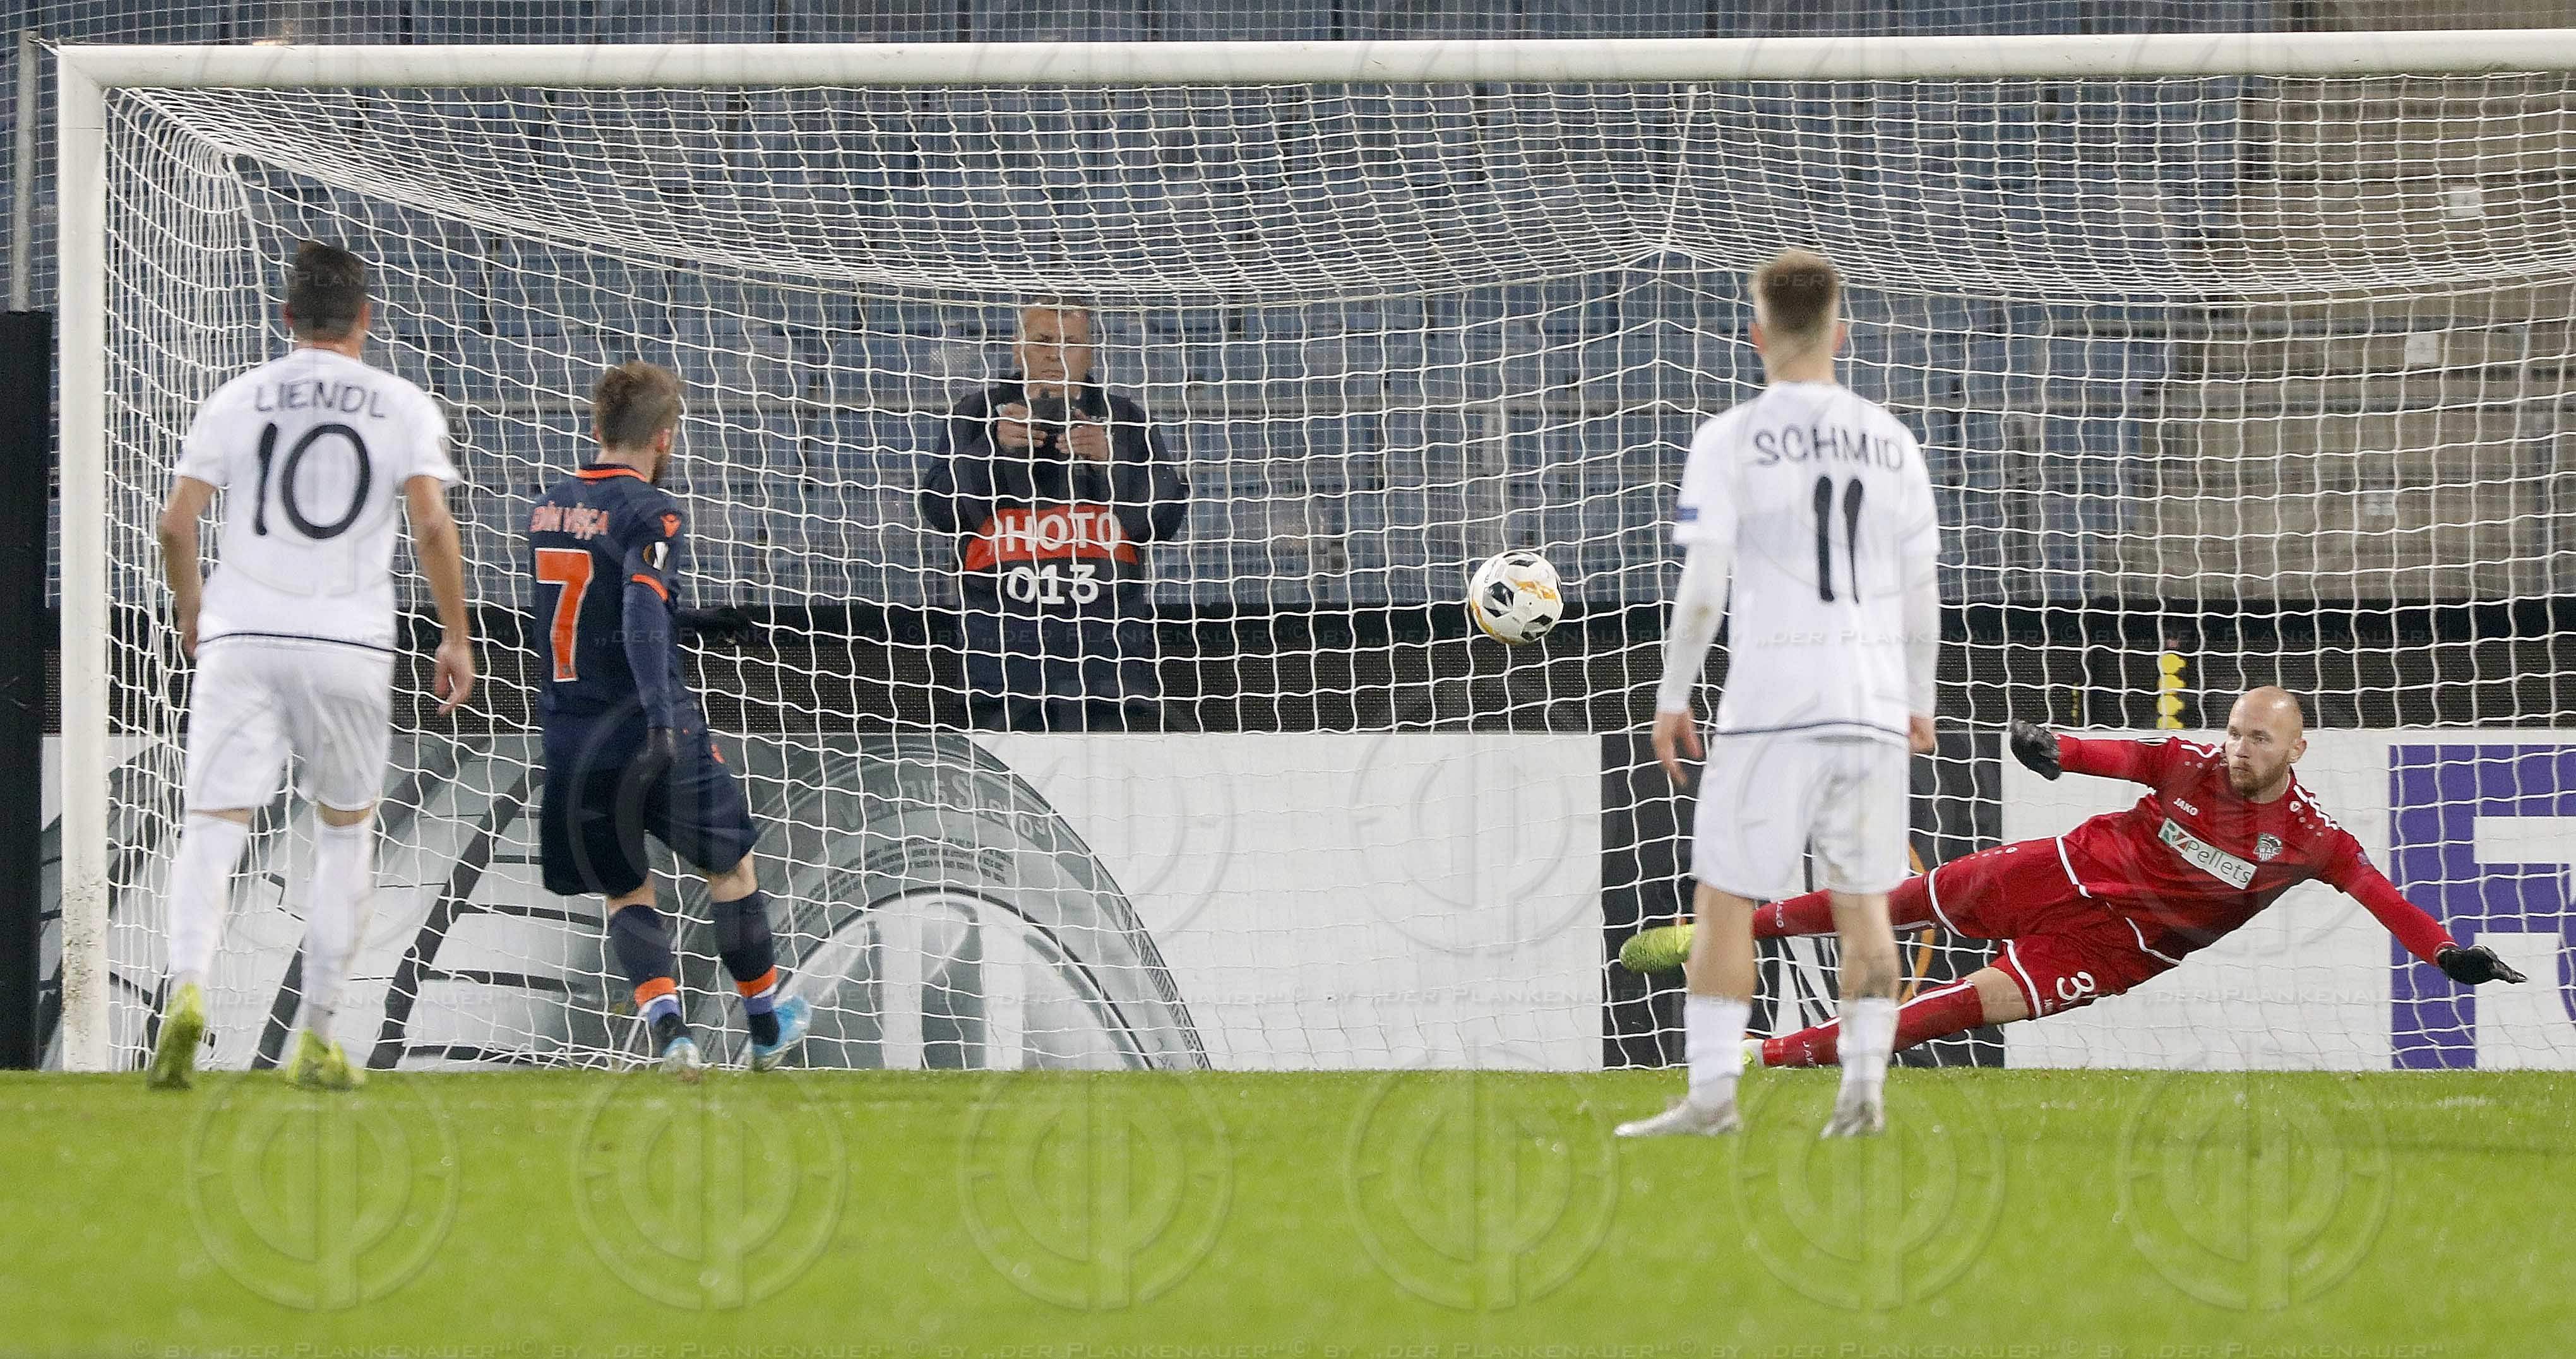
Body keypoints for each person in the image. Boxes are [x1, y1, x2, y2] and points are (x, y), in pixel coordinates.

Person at [1621, 686, 2530, 1066]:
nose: (2237, 747)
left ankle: (1763, 1057)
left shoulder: (2311, 840)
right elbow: (2110, 754)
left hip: (2119, 947)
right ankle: (1727, 933)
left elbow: (2384, 899)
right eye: (2234, 730)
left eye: (2258, 736)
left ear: (2297, 746)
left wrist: (2448, 955)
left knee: (1949, 1009)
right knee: (1896, 902)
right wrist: (2051, 750)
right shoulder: (2187, 763)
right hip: (2060, 870)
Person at [1616, 249, 1942, 1140]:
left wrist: (1674, 694)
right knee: (1865, 903)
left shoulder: (1731, 437)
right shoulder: (1895, 441)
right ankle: (1863, 1090)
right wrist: (1920, 697)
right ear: (1842, 332)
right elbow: (1922, 593)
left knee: (1725, 901)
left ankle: (1714, 1099)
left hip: (1771, 703)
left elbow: (1704, 588)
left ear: (1756, 334)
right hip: (1871, 703)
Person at [149, 240, 477, 1091]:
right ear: (365, 318)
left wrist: (193, 610)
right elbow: (434, 526)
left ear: (287, 317)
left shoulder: (238, 397)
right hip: (347, 643)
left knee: (214, 826)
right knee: (344, 833)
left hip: (242, 637)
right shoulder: (401, 402)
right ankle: (318, 1034)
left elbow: (177, 524)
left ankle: (186, 990)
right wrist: (456, 634)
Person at [527, 362, 811, 1077]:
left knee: (626, 888)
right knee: (731, 864)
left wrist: (700, 619)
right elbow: (636, 612)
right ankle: (767, 1025)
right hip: (647, 722)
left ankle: (674, 1037)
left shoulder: (548, 508)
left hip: (570, 730)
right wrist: (661, 721)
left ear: (595, 431)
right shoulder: (653, 511)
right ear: (665, 435)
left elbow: (599, 610)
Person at [919, 300, 1190, 732]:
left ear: (1091, 352)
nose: (1056, 354)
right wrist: (992, 448)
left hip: (1109, 662)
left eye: (1071, 343)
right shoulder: (975, 413)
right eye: (1043, 341)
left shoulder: (1127, 419)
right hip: (1001, 661)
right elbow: (938, 508)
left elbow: (1165, 518)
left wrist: (1109, 459)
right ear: (1017, 348)